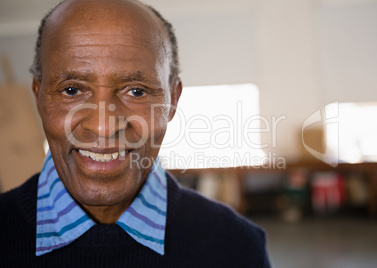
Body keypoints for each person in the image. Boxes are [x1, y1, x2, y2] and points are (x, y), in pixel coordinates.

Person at [0, 0, 271, 266]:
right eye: (72, 90)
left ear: (172, 101)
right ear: (38, 98)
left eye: (136, 91)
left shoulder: (235, 246)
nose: (103, 126)